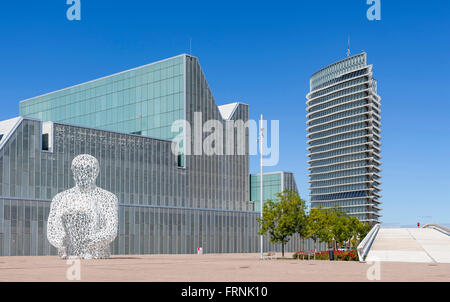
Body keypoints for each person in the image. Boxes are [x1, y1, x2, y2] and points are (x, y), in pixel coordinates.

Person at [47, 154, 118, 259]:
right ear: (73, 172)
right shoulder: (60, 198)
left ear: (96, 172)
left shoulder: (108, 198)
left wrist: (89, 242)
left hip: (97, 255)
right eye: (77, 170)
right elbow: (52, 229)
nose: (82, 175)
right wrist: (61, 241)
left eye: (88, 171)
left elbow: (111, 231)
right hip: (68, 255)